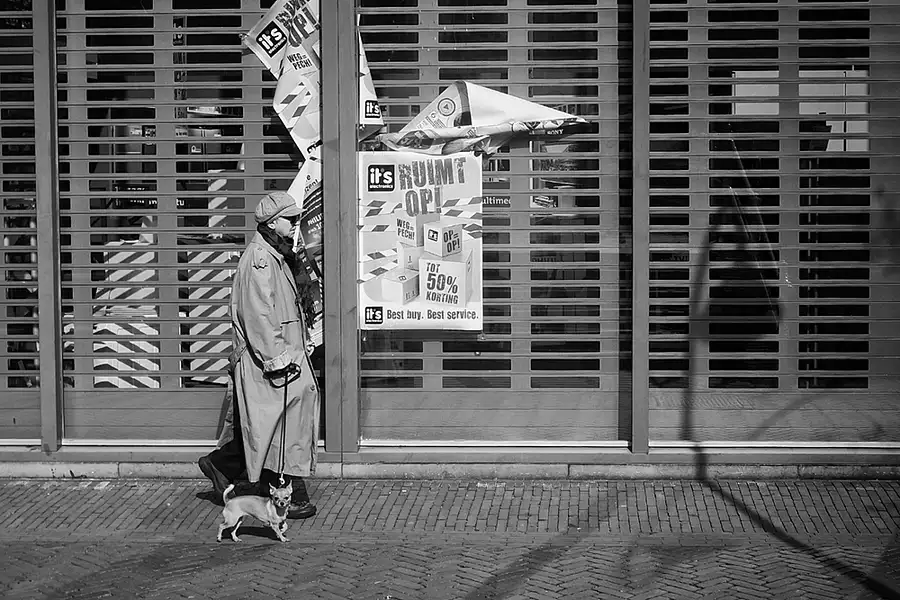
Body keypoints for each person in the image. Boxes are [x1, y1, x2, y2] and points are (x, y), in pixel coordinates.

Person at [199, 191, 319, 519]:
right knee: (281, 425)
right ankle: (287, 494)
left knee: (272, 425)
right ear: (272, 222)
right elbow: (259, 315)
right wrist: (278, 360)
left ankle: (223, 464)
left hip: (283, 355)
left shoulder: (276, 254)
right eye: (290, 219)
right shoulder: (260, 260)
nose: (295, 223)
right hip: (271, 360)